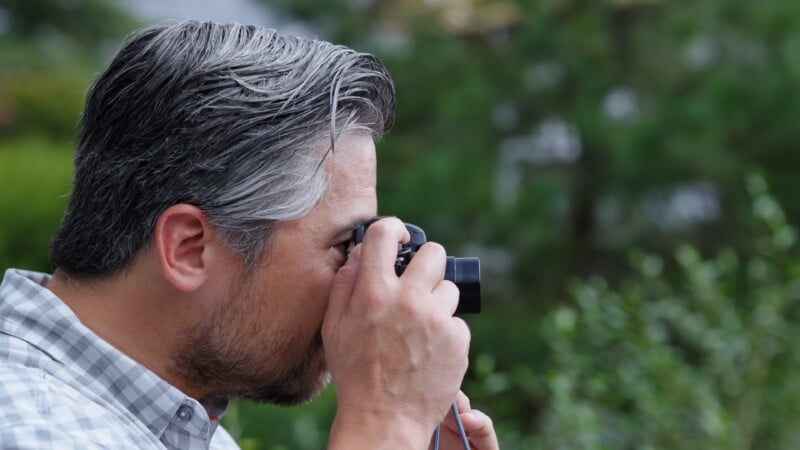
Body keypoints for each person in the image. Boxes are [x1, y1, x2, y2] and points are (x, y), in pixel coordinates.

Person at [0, 21, 499, 449]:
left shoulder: (177, 423)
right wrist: (386, 423)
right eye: (345, 246)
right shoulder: (33, 427)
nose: (367, 283)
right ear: (189, 248)